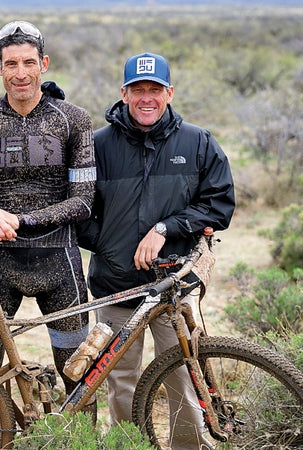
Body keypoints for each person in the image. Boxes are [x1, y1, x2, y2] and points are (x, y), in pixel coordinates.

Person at [77, 52, 235, 448]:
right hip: (116, 287)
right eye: (137, 90)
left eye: (155, 90)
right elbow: (79, 210)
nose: (146, 98)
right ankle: (130, 446)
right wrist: (113, 246)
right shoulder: (98, 145)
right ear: (124, 93)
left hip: (172, 286)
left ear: (170, 93)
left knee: (181, 378)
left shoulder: (198, 142)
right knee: (122, 381)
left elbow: (220, 203)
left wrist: (167, 228)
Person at [0, 20, 96, 408]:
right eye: (11, 64)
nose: (20, 73)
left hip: (59, 263)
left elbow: (83, 201)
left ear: (43, 64)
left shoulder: (73, 119)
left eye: (29, 63)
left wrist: (21, 220)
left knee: (78, 376)